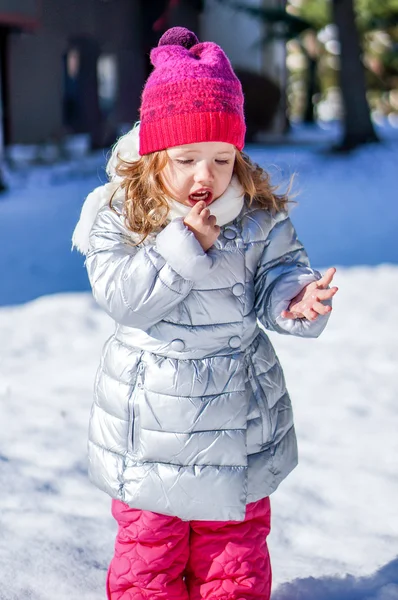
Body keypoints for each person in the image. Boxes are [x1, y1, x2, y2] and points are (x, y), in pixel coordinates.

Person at [72, 26, 338, 600]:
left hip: (239, 417)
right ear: (153, 155)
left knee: (234, 556)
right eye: (187, 157)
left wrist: (297, 299)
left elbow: (279, 272)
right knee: (150, 553)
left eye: (222, 158)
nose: (206, 175)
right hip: (152, 422)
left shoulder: (257, 218)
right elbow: (124, 297)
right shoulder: (121, 215)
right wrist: (183, 246)